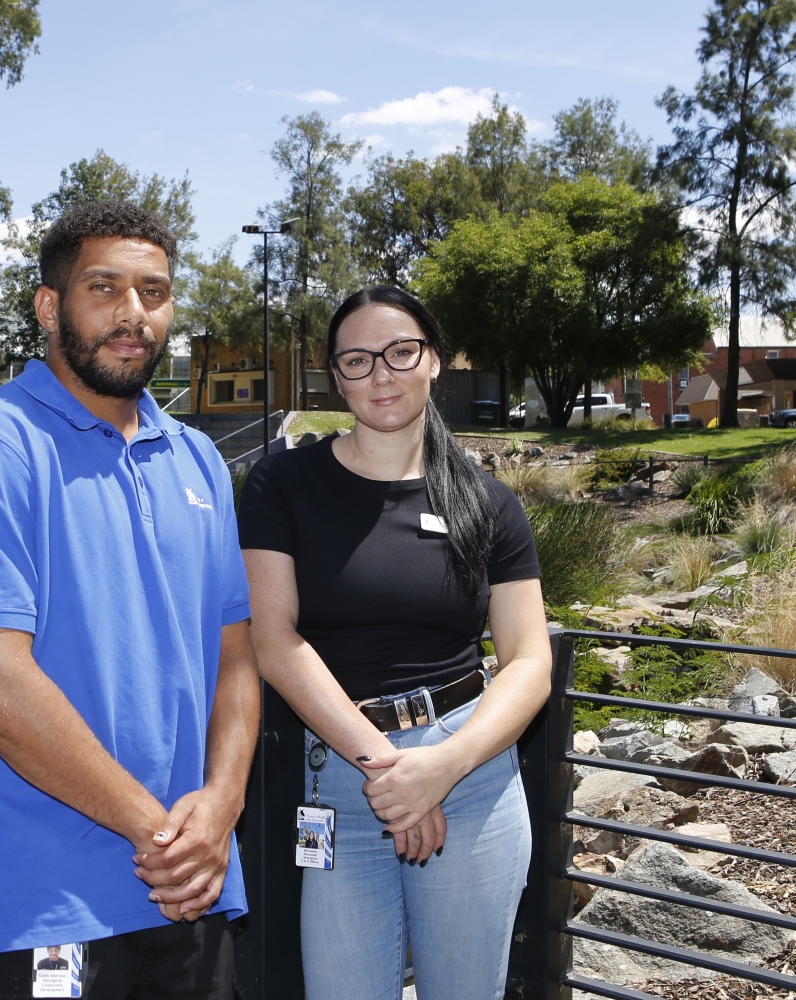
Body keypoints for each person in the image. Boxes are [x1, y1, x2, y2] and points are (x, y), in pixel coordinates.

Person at [0, 200, 260, 1000]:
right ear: (49, 305)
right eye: (104, 288)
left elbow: (236, 657)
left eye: (154, 291)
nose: (133, 313)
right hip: (42, 906)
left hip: (190, 889)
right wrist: (162, 832)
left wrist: (222, 806)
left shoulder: (199, 459)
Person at [239, 285, 552, 1000]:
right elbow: (274, 638)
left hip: (470, 775)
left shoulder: (485, 499)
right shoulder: (283, 483)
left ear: (434, 361)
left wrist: (441, 768)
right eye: (357, 360)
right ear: (335, 376)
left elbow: (530, 661)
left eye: (400, 352)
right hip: (344, 781)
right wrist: (393, 773)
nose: (381, 374)